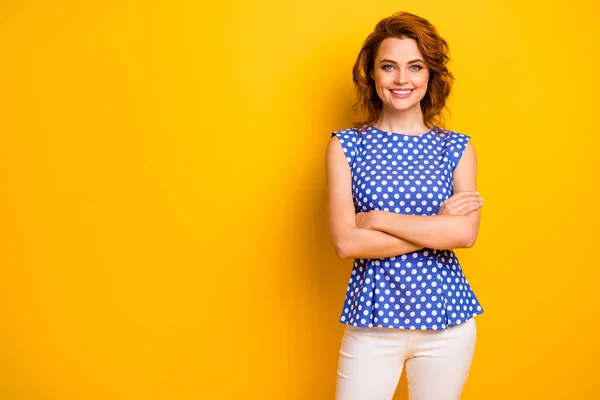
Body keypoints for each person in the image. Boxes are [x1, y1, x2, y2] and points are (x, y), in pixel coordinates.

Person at [325, 12, 485, 400]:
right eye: (388, 67)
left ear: (430, 75)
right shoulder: (346, 146)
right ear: (372, 74)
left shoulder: (456, 148)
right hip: (372, 323)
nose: (401, 80)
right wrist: (437, 228)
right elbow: (347, 244)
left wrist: (379, 220)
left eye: (414, 67)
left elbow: (464, 234)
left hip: (448, 325)